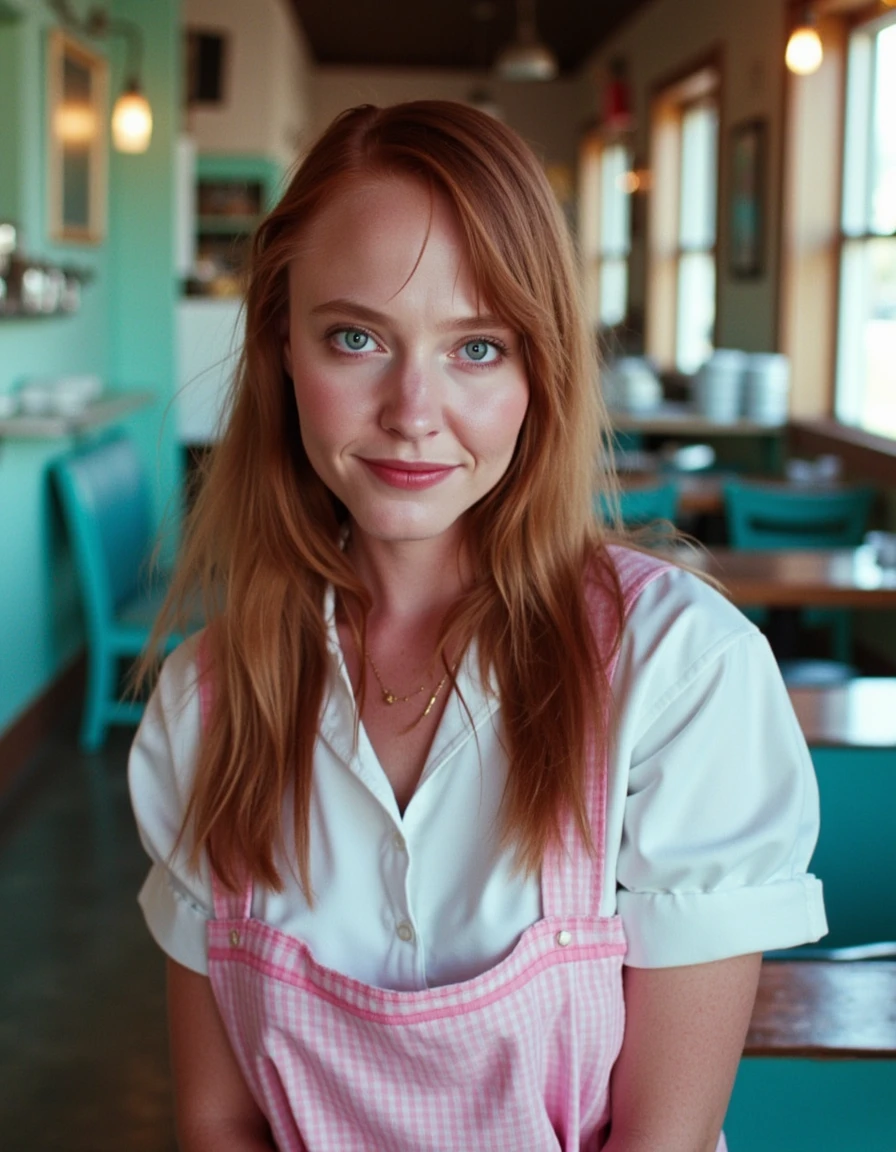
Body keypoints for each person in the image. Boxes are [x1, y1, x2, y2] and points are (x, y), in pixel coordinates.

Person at [129, 101, 826, 1152]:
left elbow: (662, 1142)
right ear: (280, 347)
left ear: (539, 370)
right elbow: (218, 1123)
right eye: (355, 337)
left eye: (476, 347)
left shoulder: (675, 672)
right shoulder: (207, 701)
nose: (412, 409)